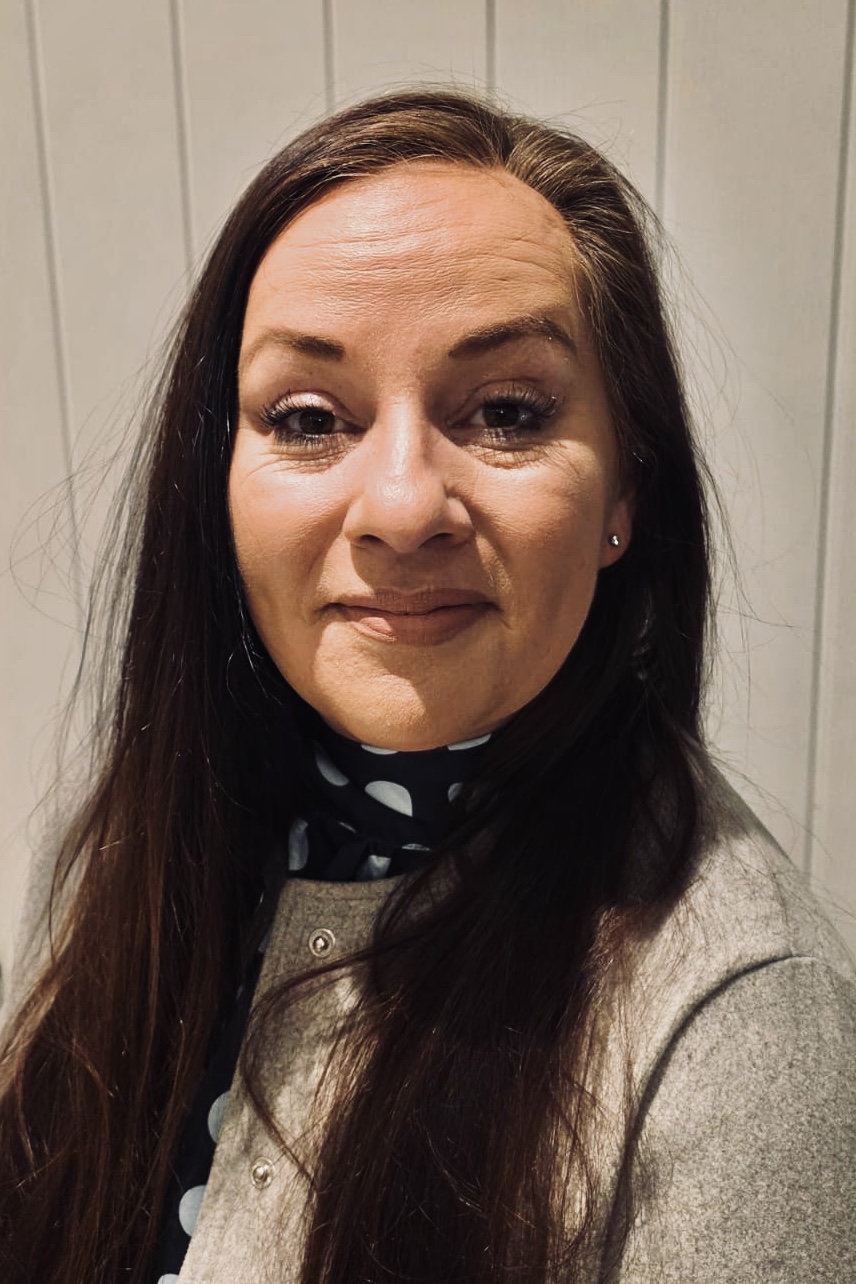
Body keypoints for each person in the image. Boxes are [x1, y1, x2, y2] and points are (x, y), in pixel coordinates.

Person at [0, 88, 853, 1284]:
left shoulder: (742, 1026)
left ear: (624, 491)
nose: (402, 508)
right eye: (309, 418)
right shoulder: (143, 847)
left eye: (505, 412)